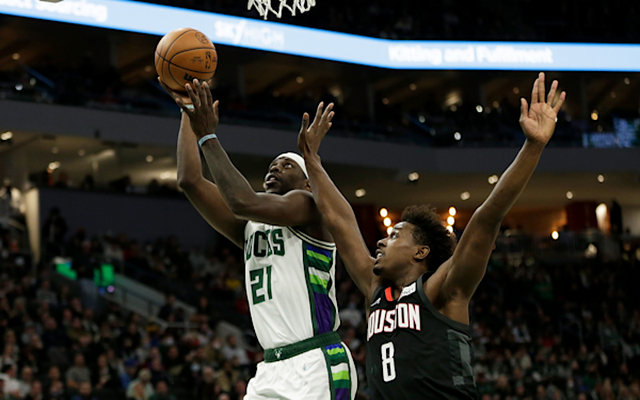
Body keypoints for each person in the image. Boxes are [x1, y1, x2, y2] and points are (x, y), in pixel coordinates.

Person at [297, 73, 566, 399]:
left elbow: (487, 218)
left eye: (394, 236)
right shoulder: (376, 288)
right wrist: (312, 160)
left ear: (420, 252)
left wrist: (533, 147)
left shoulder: (444, 288)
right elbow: (341, 222)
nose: (381, 242)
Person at [159, 77, 357, 400]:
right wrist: (188, 109)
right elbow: (190, 180)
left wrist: (207, 135)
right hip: (270, 368)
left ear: (308, 183)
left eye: (287, 165)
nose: (275, 168)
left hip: (315, 361)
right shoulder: (252, 227)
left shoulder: (309, 207)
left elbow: (242, 201)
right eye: (272, 165)